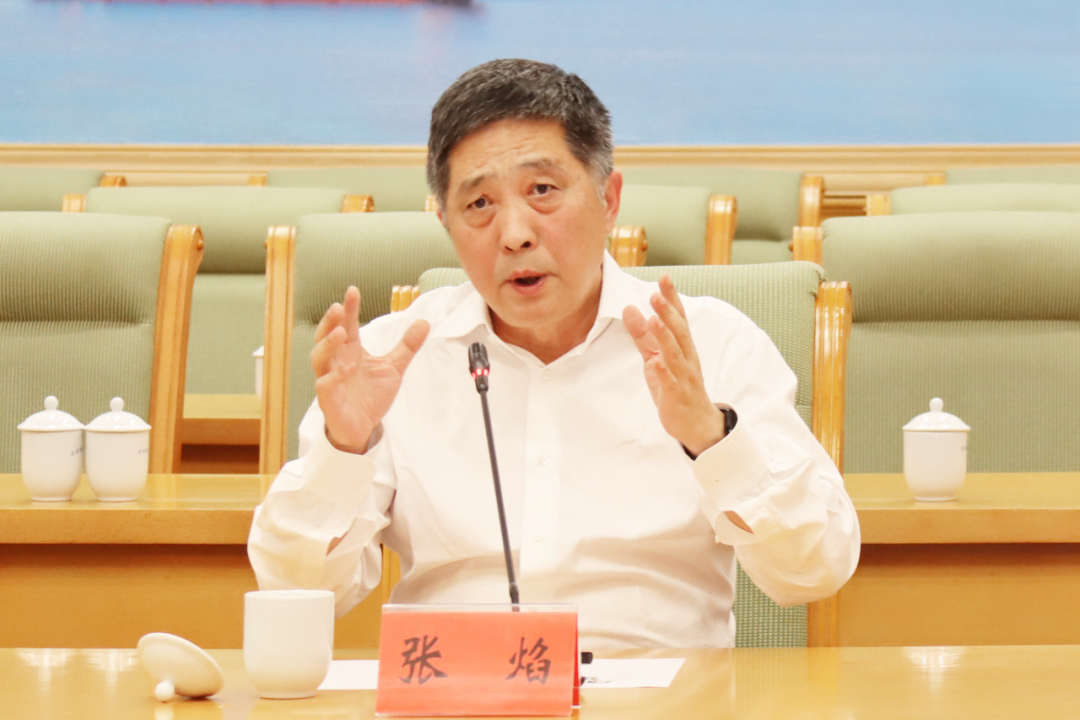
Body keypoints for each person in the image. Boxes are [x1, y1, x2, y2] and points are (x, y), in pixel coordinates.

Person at [248, 58, 860, 649]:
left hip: (658, 693)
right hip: (456, 693)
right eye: (479, 204)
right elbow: (297, 590)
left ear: (608, 199)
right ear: (445, 222)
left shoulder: (711, 346)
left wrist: (710, 437)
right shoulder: (391, 361)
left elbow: (815, 568)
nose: (514, 234)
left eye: (542, 190)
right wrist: (344, 449)